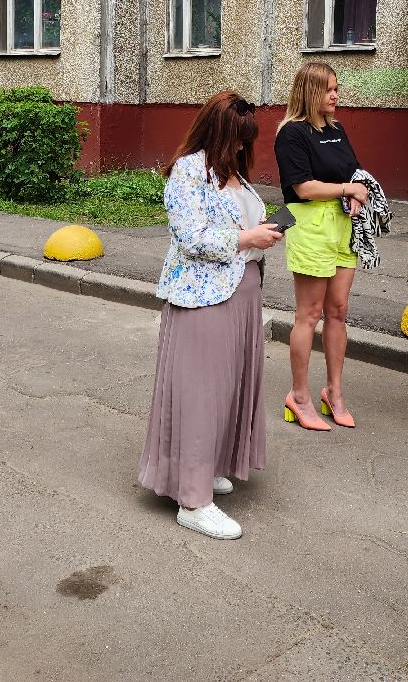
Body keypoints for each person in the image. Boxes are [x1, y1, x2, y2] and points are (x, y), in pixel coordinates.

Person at [138, 91, 284, 540]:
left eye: (248, 139)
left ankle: (207, 468)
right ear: (219, 132)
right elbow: (190, 236)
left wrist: (263, 235)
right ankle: (193, 500)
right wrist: (247, 239)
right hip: (202, 296)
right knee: (201, 393)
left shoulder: (233, 173)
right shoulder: (189, 170)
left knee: (228, 387)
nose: (245, 146)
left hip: (241, 292)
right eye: (239, 138)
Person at [273, 63, 370, 431]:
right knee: (309, 314)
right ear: (310, 92)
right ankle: (299, 396)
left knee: (339, 311)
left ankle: (334, 392)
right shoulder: (291, 134)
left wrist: (357, 192)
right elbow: (304, 187)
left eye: (337, 88)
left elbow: (353, 170)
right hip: (311, 225)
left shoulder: (336, 128)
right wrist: (348, 189)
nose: (335, 95)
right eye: (329, 89)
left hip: (343, 224)